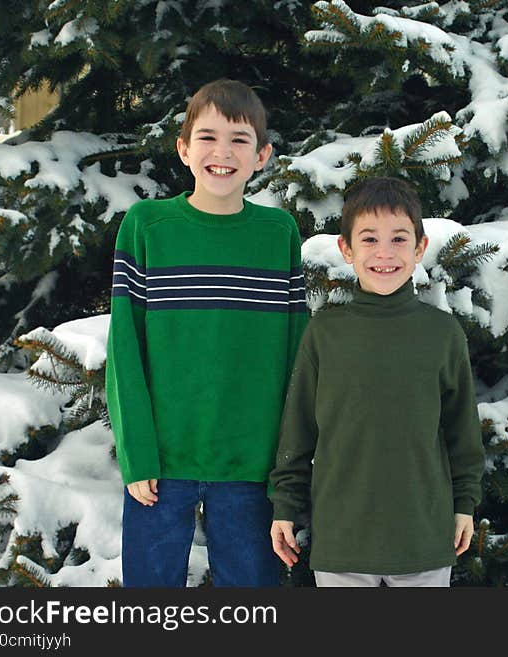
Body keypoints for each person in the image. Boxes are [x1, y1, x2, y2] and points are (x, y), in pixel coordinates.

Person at [105, 79, 308, 587]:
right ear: (183, 149)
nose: (223, 152)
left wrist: (287, 471)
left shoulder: (279, 234)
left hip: (252, 467)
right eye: (208, 137)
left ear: (262, 155)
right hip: (161, 467)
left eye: (240, 140)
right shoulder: (147, 226)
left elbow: (297, 362)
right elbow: (124, 351)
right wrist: (137, 455)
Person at [268, 176, 485, 587]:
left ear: (419, 248)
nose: (384, 253)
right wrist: (285, 506)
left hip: (424, 537)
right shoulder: (325, 332)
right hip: (342, 540)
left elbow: (462, 434)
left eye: (399, 239)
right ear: (346, 249)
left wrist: (465, 503)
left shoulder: (442, 333)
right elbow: (298, 431)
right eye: (369, 239)